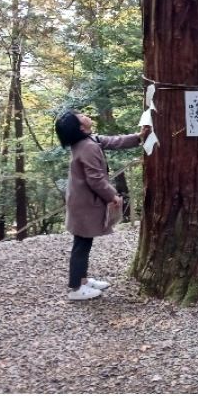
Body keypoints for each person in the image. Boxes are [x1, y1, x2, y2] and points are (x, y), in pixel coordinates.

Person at [55, 110, 150, 301]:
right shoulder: (87, 146)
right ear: (79, 127)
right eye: (80, 116)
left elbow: (113, 142)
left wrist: (139, 138)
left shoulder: (88, 141)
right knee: (81, 244)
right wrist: (112, 196)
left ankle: (82, 280)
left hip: (81, 201)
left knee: (84, 242)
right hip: (84, 203)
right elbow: (95, 179)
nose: (84, 114)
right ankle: (75, 288)